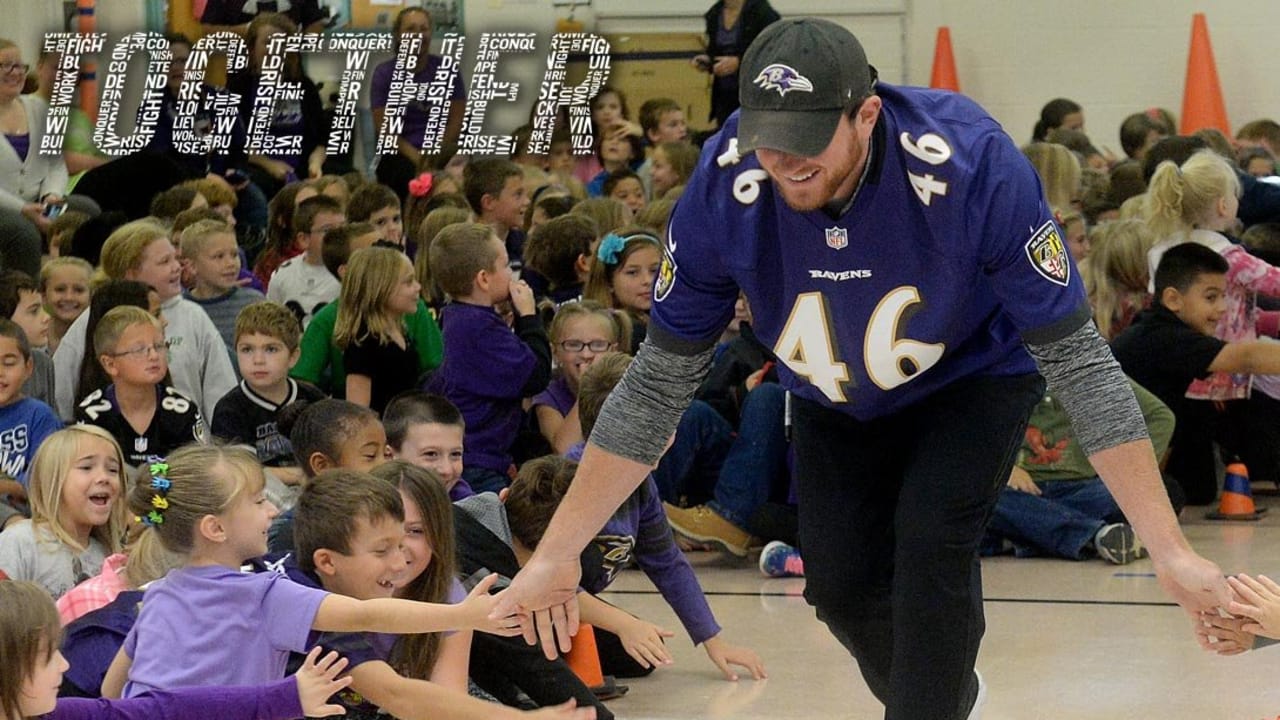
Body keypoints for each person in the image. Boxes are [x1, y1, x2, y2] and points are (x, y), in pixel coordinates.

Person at [494, 18, 1228, 720]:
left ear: (867, 114)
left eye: (808, 140)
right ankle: (939, 696)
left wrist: (1169, 549)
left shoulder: (973, 163)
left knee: (930, 546)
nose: (785, 162)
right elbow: (654, 384)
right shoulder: (724, 189)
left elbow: (1080, 364)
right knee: (839, 589)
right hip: (833, 391)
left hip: (970, 379)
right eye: (769, 141)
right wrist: (560, 552)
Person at [98, 444, 523, 700]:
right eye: (258, 500)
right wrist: (459, 616)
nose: (272, 510)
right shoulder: (264, 594)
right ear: (215, 527)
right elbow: (368, 615)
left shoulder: (157, 596)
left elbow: (112, 691)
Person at [0, 580, 358, 720]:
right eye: (48, 655)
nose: (64, 665)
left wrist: (290, 695)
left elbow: (171, 708)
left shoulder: (61, 715)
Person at [53, 219, 237, 423]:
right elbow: (61, 394)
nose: (177, 268)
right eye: (164, 262)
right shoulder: (93, 318)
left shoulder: (193, 316)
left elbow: (220, 390)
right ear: (131, 273)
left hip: (186, 444)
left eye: (176, 259)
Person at [983, 378, 1175, 564]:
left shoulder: (1090, 368)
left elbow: (1159, 416)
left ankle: (1020, 535)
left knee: (1160, 491)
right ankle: (1095, 535)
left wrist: (1124, 469)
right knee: (985, 498)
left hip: (1082, 489)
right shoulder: (997, 371)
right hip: (1017, 490)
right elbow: (964, 427)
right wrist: (1006, 467)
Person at [424, 223, 551, 494]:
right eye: (505, 266)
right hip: (478, 462)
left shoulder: (458, 316)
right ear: (483, 278)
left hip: (480, 455)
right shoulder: (478, 328)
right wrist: (528, 317)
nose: (511, 274)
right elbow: (536, 375)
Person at [0, 39, 100, 278]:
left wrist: (52, 197)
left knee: (86, 209)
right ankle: (25, 300)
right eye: (6, 66)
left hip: (40, 203)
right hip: (8, 208)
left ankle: (85, 284)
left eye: (19, 66)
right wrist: (23, 209)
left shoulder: (39, 109)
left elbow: (55, 166)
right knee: (23, 233)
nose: (15, 73)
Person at [211, 300, 324, 510]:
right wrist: (299, 474)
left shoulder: (312, 398)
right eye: (247, 350)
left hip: (316, 492)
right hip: (259, 501)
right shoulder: (229, 409)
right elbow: (239, 471)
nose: (258, 360)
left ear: (293, 357)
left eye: (271, 349)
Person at [0, 425, 127, 599]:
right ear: (52, 479)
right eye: (86, 467)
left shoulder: (109, 556)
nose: (104, 477)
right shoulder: (20, 542)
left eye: (113, 470)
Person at [74, 307, 208, 469]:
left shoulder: (183, 411)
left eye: (159, 346)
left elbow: (198, 474)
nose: (154, 356)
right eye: (140, 350)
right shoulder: (91, 414)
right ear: (110, 364)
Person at [371, 6, 466, 199]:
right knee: (400, 173)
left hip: (443, 149)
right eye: (410, 29)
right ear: (398, 35)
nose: (418, 35)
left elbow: (457, 119)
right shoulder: (384, 74)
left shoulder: (447, 69)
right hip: (402, 152)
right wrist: (419, 158)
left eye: (424, 29)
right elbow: (385, 129)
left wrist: (435, 153)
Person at [179, 219, 265, 363]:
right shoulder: (180, 309)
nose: (230, 263)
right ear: (192, 266)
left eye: (234, 254)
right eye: (219, 256)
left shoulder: (255, 303)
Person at [694, 0, 780, 130]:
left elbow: (773, 51)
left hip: (755, 91)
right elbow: (714, 50)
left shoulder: (764, 13)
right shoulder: (714, 13)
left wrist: (739, 62)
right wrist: (708, 60)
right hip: (724, 92)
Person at [0, 320, 60, 488]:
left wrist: (6, 487)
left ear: (28, 368)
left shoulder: (39, 416)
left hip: (25, 510)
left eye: (9, 363)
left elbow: (47, 480)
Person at [383, 391, 472, 500]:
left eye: (455, 454)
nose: (446, 470)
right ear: (389, 456)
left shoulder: (470, 509)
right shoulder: (366, 508)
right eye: (431, 454)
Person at [0, 271, 54, 407]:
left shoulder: (43, 363)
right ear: (5, 319)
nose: (46, 317)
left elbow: (52, 422)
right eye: (34, 311)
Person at [40, 257, 93, 355]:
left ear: (91, 296)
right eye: (60, 289)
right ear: (43, 296)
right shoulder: (31, 340)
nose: (69, 297)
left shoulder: (99, 342)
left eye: (78, 290)